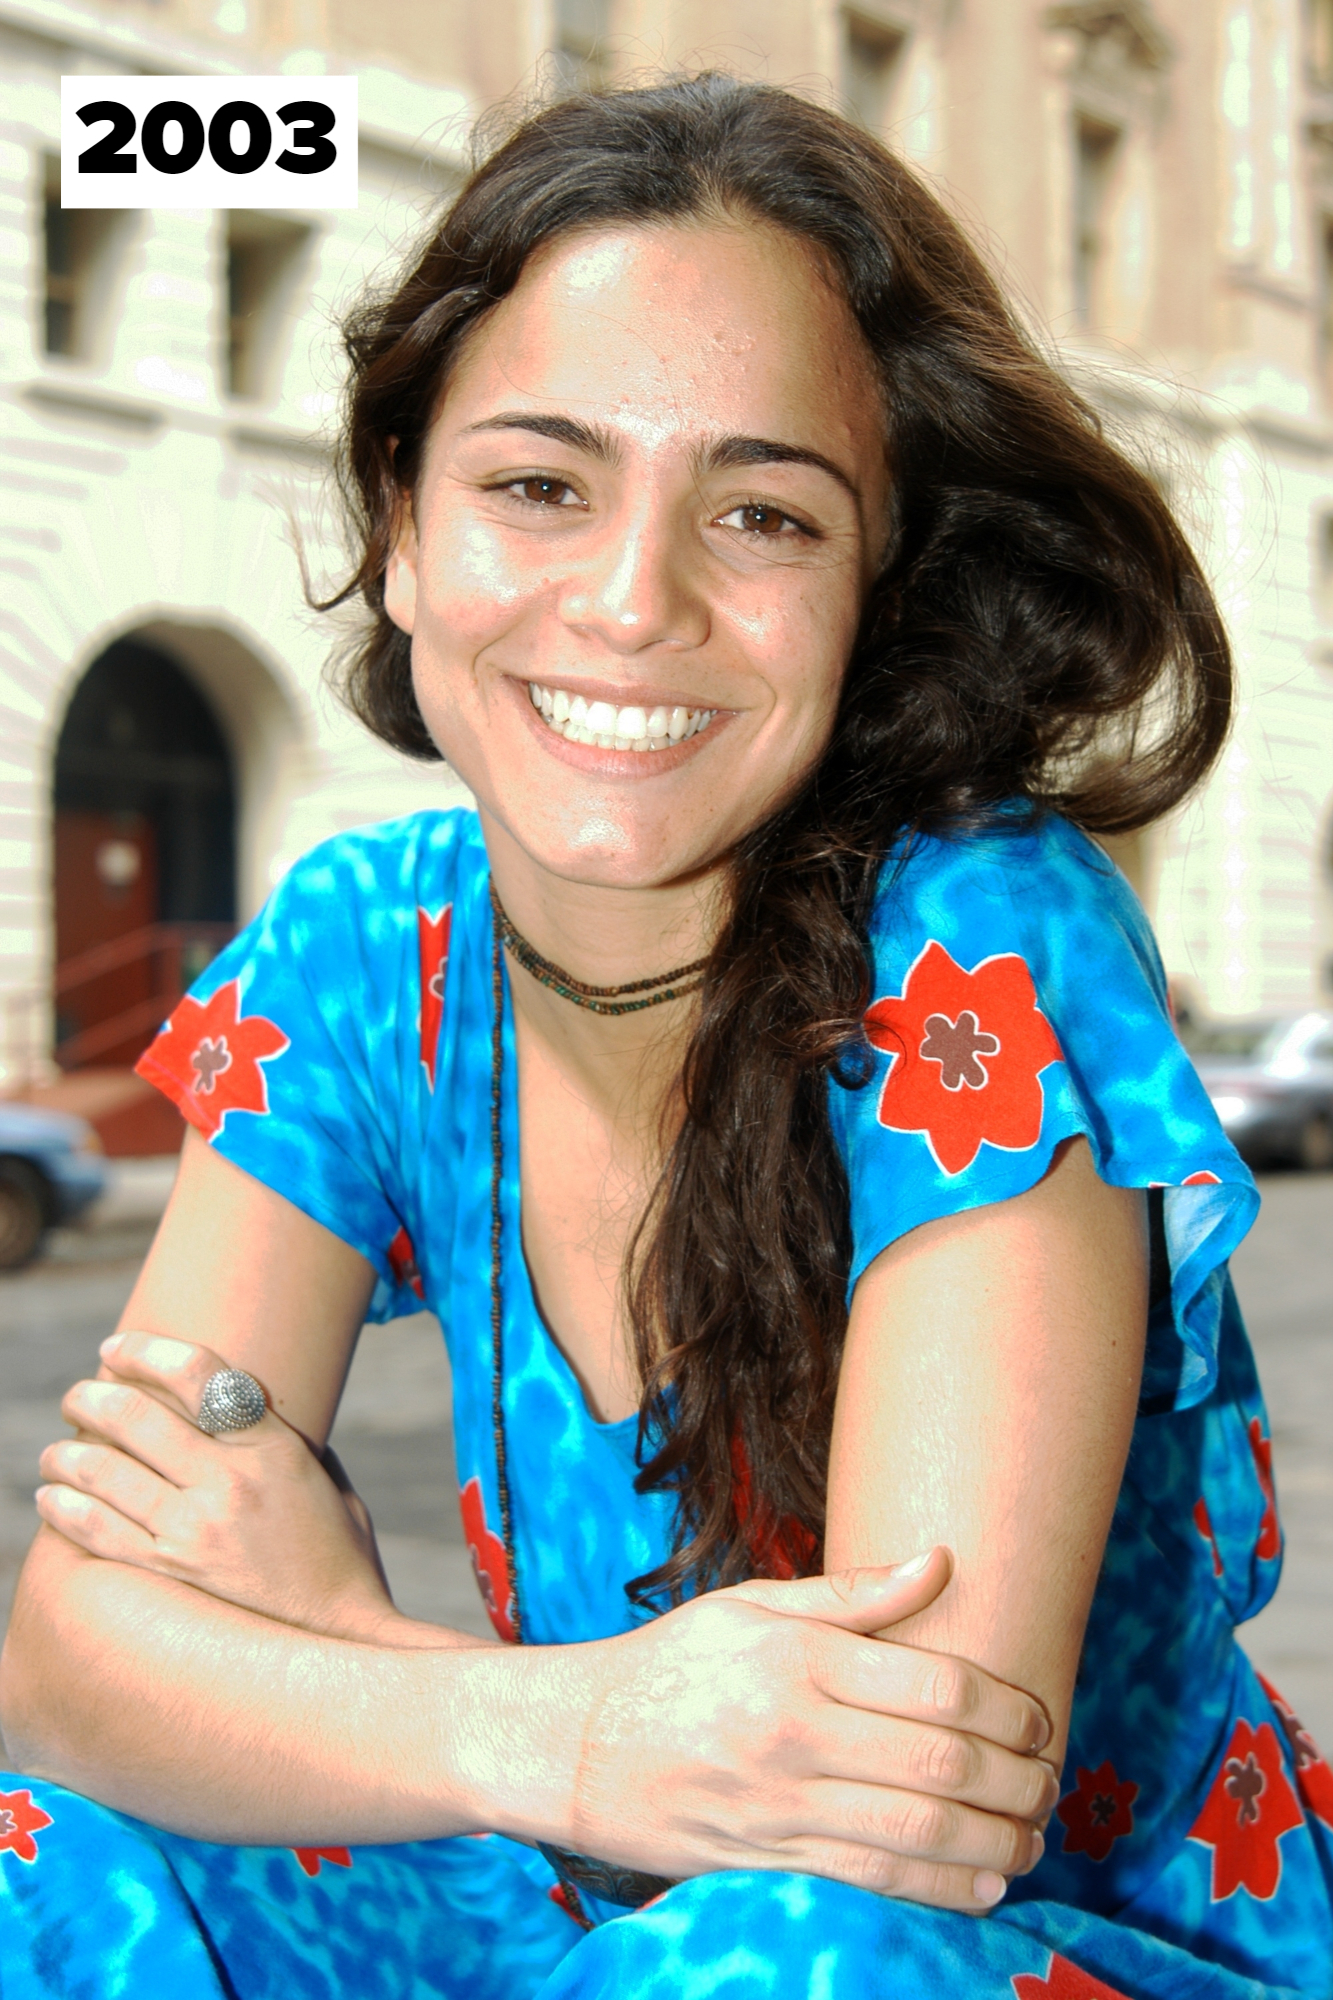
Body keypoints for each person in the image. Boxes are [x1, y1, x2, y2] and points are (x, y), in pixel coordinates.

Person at [2, 74, 1330, 2000]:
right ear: (401, 526)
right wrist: (561, 1733)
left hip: (1028, 1951)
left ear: (873, 593)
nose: (633, 602)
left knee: (768, 1955)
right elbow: (70, 1668)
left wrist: (329, 1648)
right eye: (538, 484)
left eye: (763, 512)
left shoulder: (974, 942)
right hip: (593, 1907)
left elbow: (900, 1802)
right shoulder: (363, 951)